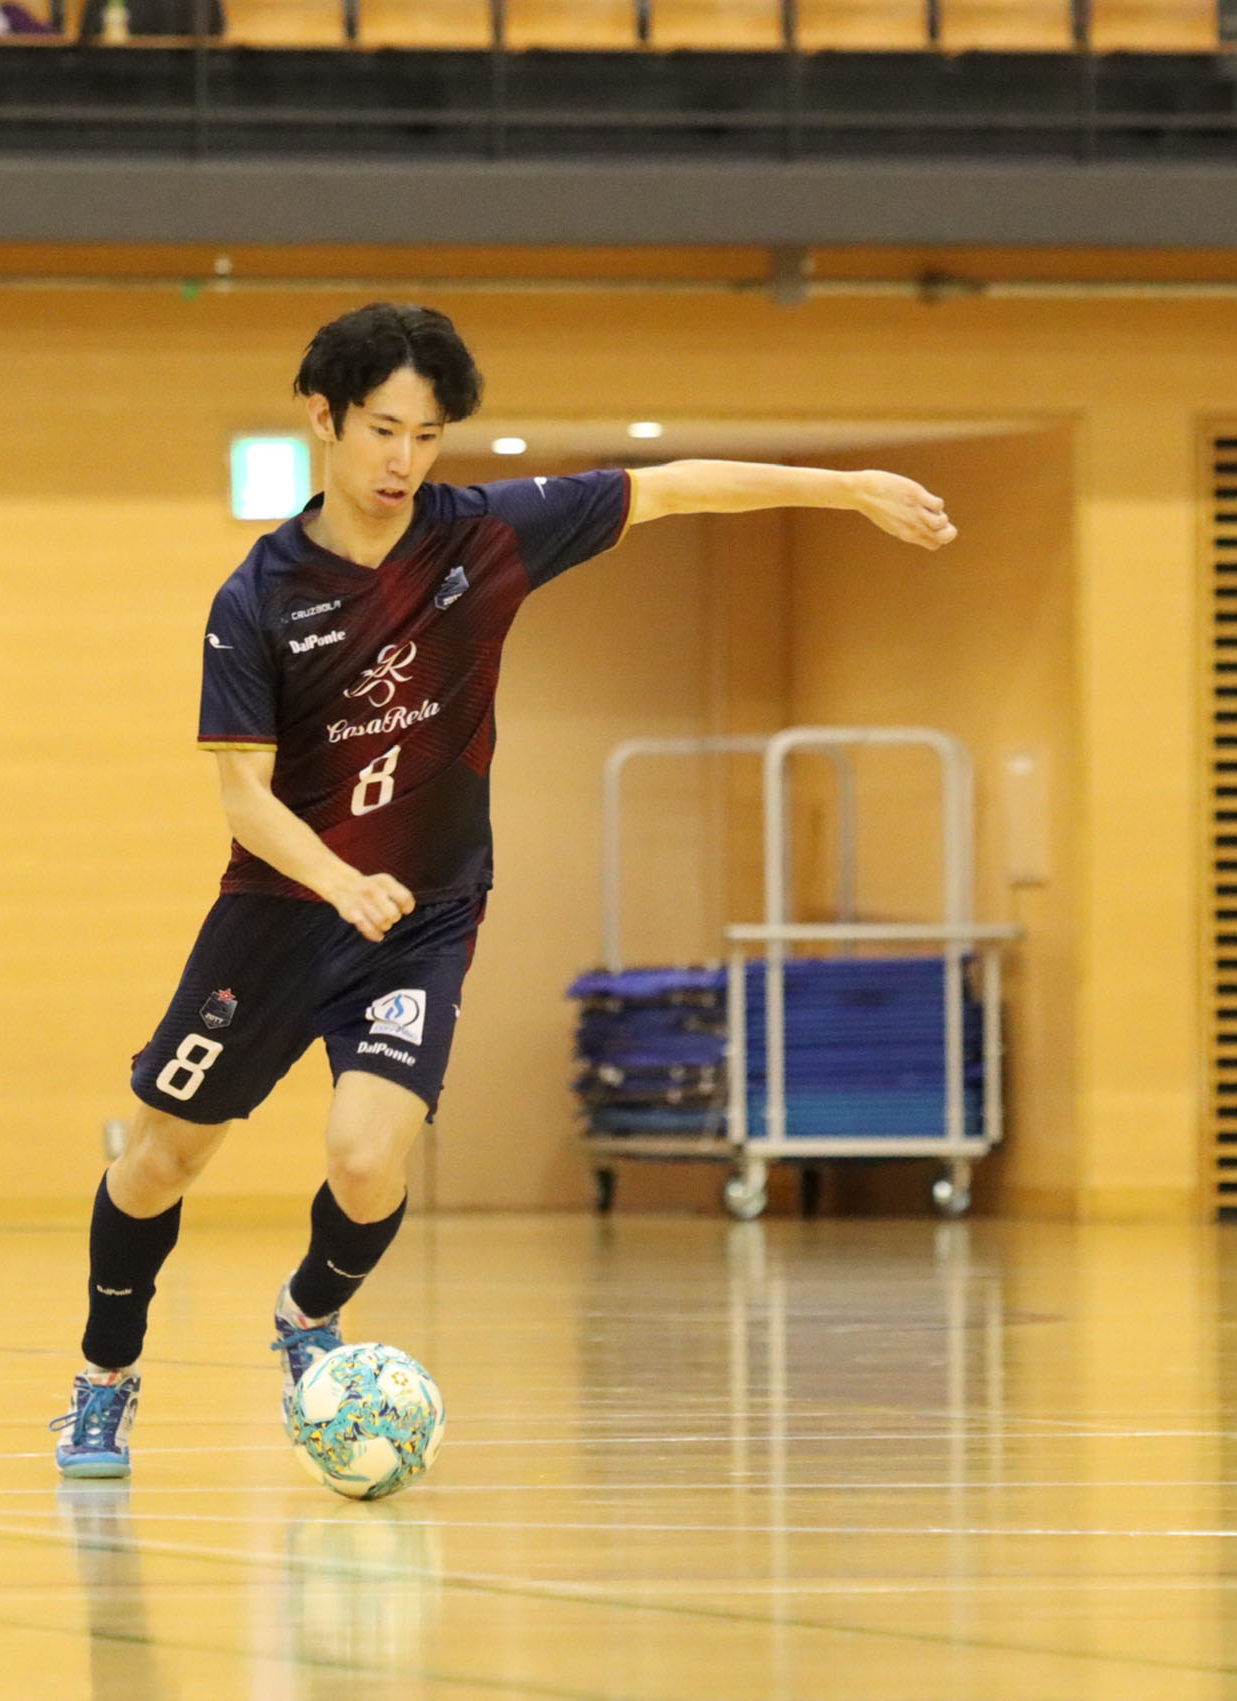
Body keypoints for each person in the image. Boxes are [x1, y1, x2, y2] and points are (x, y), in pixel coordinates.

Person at [51, 301, 958, 1477]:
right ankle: (104, 1379)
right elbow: (244, 802)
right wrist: (339, 880)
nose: (403, 461)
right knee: (161, 1161)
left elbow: (672, 487)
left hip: (421, 920)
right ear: (324, 420)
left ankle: (307, 1315)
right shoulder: (258, 597)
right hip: (279, 914)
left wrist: (846, 490)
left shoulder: (481, 537)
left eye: (427, 437)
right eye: (383, 431)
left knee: (367, 1160)